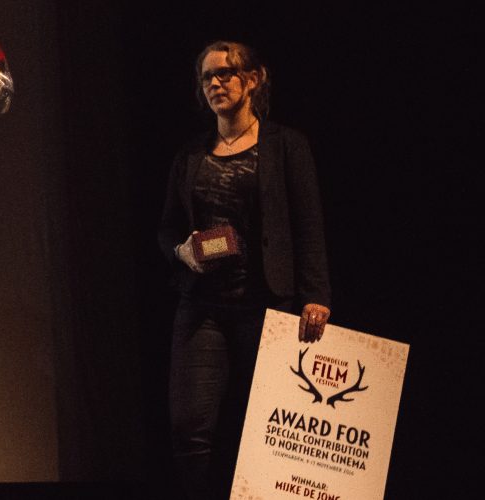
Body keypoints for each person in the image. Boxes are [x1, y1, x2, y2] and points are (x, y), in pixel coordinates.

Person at [157, 40, 331, 498]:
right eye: (206, 77)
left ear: (252, 80)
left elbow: (308, 223)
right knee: (190, 426)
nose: (214, 83)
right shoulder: (191, 154)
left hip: (267, 305)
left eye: (225, 74)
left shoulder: (286, 145)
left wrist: (316, 296)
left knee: (273, 425)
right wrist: (182, 251)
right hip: (203, 307)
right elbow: (167, 229)